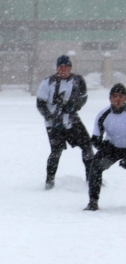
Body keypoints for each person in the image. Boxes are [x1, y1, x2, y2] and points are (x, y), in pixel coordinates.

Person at [36, 55, 94, 190]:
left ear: (70, 68)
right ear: (57, 68)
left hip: (72, 121)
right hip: (54, 124)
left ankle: (91, 179)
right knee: (56, 151)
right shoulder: (48, 82)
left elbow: (83, 98)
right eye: (61, 66)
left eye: (66, 66)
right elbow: (40, 104)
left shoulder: (78, 80)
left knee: (87, 146)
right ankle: (49, 182)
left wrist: (74, 107)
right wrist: (51, 117)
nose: (63, 69)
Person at [84, 83, 126, 211]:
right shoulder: (103, 114)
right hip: (112, 147)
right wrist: (104, 149)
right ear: (110, 99)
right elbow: (96, 139)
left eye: (120, 96)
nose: (117, 99)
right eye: (114, 96)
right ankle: (93, 202)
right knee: (95, 167)